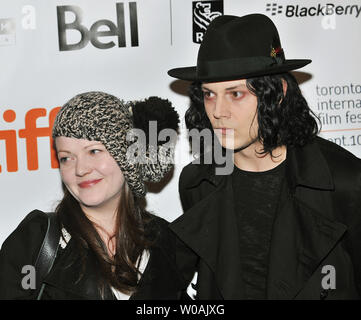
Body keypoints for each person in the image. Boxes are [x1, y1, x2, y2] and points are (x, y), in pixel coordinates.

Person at [167, 14, 361, 299]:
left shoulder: (345, 181)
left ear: (278, 93)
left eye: (235, 94)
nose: (218, 111)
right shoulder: (197, 183)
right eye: (209, 94)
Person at [0, 91, 185, 300]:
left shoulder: (165, 240)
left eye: (94, 151)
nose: (80, 169)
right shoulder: (35, 241)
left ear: (127, 156)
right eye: (66, 158)